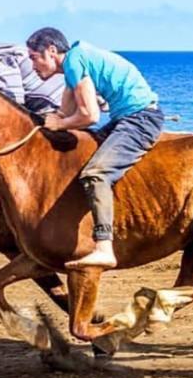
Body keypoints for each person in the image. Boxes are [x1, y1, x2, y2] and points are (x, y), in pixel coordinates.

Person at [25, 27, 163, 269]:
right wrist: (48, 121)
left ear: (51, 51)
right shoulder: (74, 64)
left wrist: (59, 122)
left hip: (139, 119)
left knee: (96, 173)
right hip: (125, 118)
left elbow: (89, 115)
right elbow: (64, 112)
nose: (32, 66)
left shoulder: (76, 61)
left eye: (34, 58)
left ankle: (104, 247)